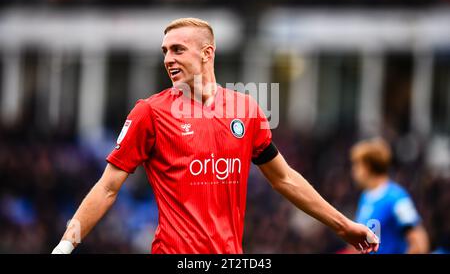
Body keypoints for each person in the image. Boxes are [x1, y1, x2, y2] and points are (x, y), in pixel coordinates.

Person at [52, 18, 378, 254]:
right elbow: (108, 187)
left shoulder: (246, 110)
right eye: (165, 51)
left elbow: (284, 179)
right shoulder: (149, 112)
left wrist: (343, 226)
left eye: (178, 50)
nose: (168, 59)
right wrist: (66, 245)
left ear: (207, 53)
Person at [350, 137, 429, 254]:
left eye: (357, 165)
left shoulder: (397, 198)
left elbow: (419, 244)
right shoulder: (366, 197)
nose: (353, 170)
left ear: (368, 167)